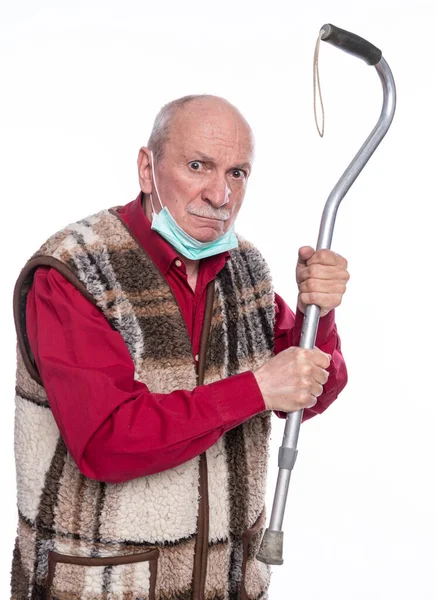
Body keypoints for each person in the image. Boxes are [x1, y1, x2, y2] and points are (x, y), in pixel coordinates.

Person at [11, 95, 349, 600]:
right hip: (99, 586)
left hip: (226, 584)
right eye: (198, 166)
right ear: (148, 168)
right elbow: (106, 441)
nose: (220, 194)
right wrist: (256, 390)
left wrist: (316, 315)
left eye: (238, 173)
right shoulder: (73, 273)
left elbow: (310, 390)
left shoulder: (245, 269)